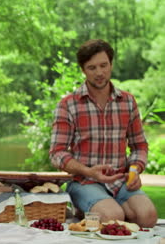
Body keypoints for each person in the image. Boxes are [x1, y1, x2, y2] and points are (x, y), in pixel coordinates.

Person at [49, 39, 157, 228]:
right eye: (92, 67)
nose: (99, 73)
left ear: (111, 64)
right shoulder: (68, 104)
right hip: (84, 181)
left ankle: (101, 212)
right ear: (83, 70)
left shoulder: (128, 102)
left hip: (121, 181)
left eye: (103, 65)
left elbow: (139, 145)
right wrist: (87, 171)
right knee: (113, 217)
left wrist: (134, 169)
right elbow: (57, 153)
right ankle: (90, 208)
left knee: (147, 217)